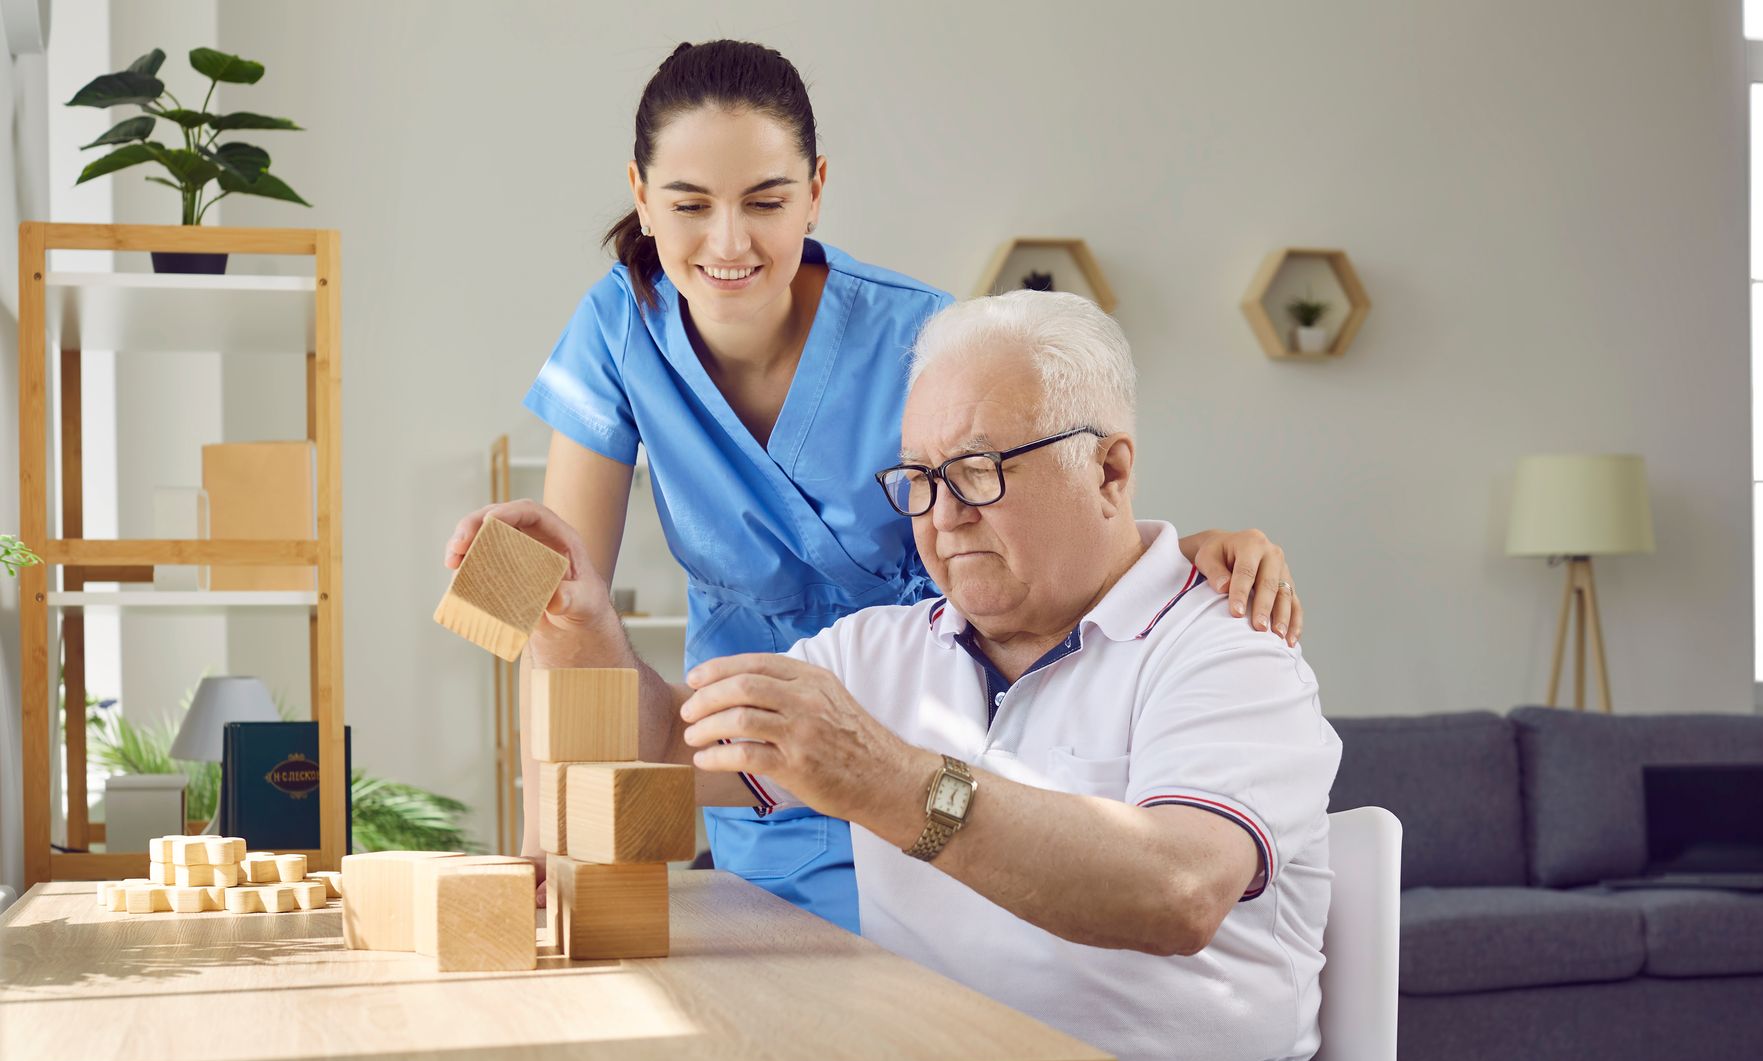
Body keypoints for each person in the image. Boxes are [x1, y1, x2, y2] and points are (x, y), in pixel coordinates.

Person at [444, 290, 1340, 1061]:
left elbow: (1176, 889)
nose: (943, 514)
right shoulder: (876, 650)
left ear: (1110, 469)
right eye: (918, 478)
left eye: (979, 470)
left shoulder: (1231, 647)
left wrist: (886, 779)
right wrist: (585, 625)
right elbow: (667, 744)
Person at [494, 38, 1306, 933]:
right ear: (641, 196)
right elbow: (561, 608)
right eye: (690, 204)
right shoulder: (616, 329)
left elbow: (1053, 507)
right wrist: (544, 834)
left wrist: (1174, 562)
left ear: (816, 189)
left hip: (940, 756)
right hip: (754, 757)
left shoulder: (921, 337)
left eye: (765, 201)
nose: (728, 241)